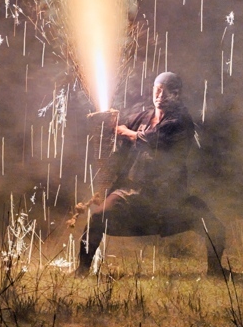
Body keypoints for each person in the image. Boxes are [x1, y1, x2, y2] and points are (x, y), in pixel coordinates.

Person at [76, 71, 226, 277]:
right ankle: (81, 271)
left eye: (166, 91)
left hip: (168, 195)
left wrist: (127, 133)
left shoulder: (181, 121)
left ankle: (216, 272)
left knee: (214, 226)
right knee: (98, 217)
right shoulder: (143, 115)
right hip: (133, 190)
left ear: (177, 93)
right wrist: (107, 122)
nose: (160, 95)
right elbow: (118, 127)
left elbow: (155, 139)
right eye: (157, 90)